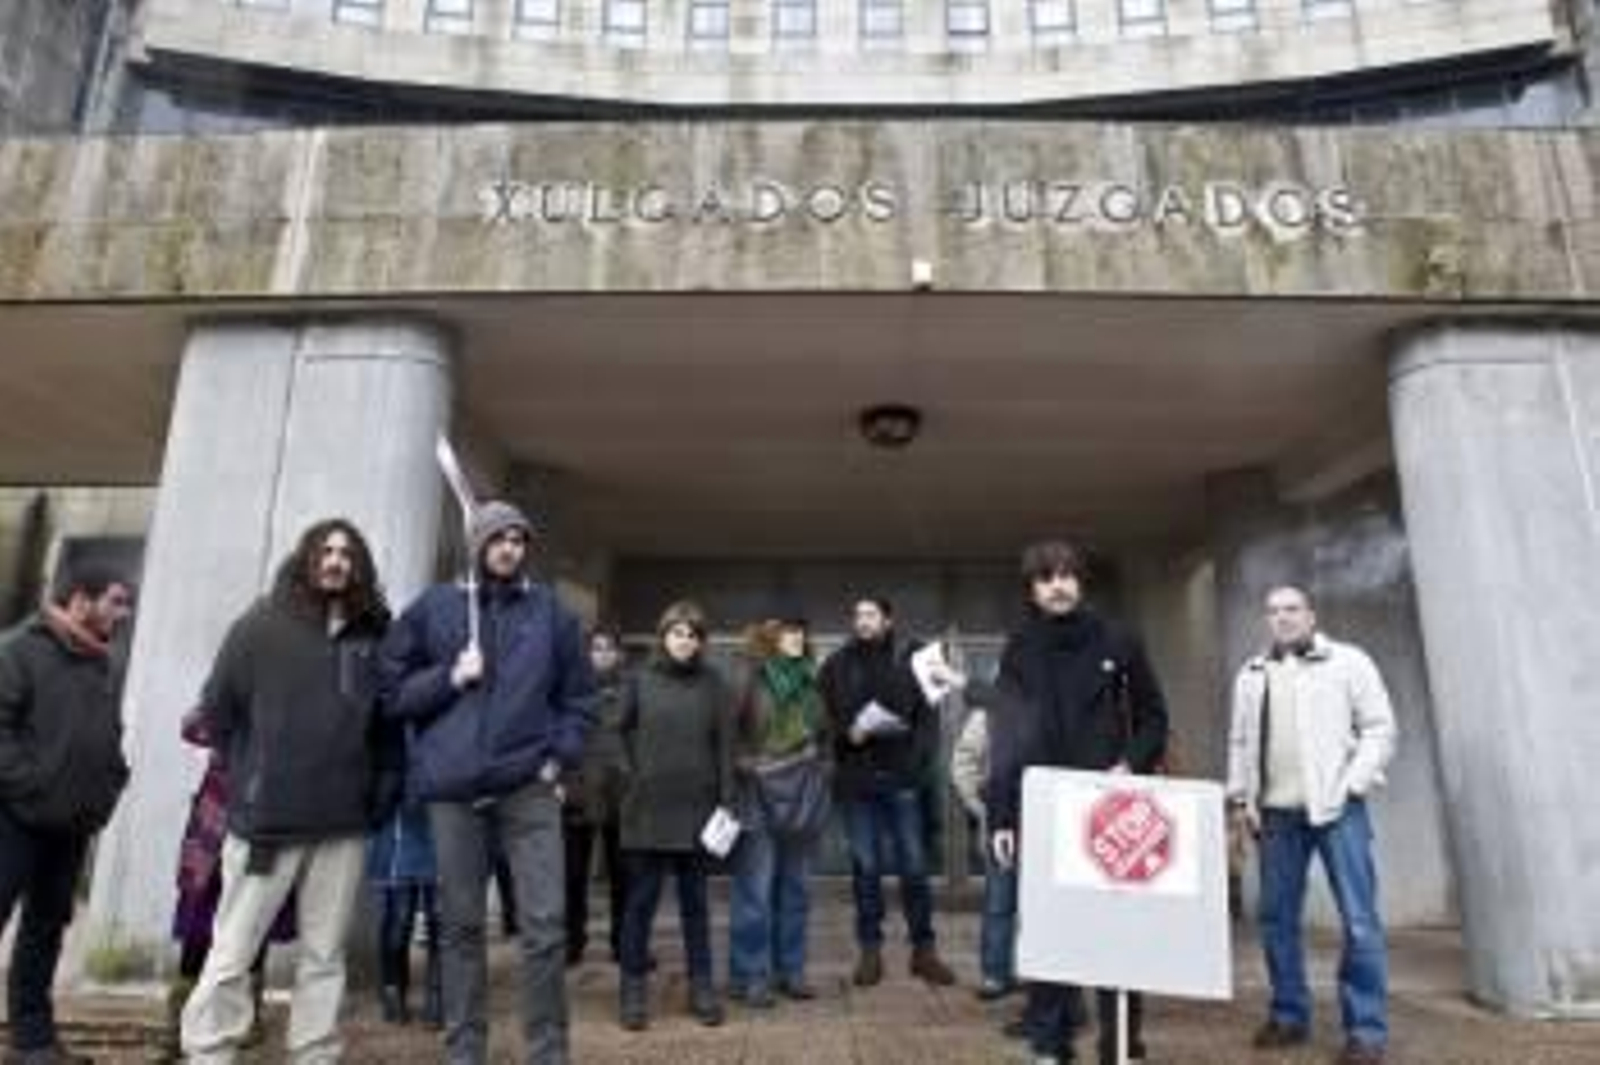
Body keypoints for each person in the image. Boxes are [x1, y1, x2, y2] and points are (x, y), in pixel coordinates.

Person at [380, 500, 593, 1065]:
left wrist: (557, 759)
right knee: (460, 928)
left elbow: (579, 700)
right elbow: (393, 695)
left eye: (519, 540)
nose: (509, 548)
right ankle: (465, 1049)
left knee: (545, 927)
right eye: (499, 538)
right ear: (478, 544)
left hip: (528, 786)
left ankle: (548, 1051)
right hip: (455, 792)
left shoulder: (552, 614)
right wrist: (451, 676)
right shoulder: (436, 608)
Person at [180, 519, 391, 1065]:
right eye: (326, 550)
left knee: (325, 955)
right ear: (308, 557)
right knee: (232, 952)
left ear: (359, 566)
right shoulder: (260, 626)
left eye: (347, 553)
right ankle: (208, 1052)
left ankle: (315, 1053)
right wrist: (253, 778)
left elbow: (386, 727)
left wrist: (379, 791)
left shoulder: (374, 633)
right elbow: (217, 712)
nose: (336, 560)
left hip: (342, 823)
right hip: (268, 822)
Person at [986, 541, 1168, 1065]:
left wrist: (1129, 764)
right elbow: (1005, 735)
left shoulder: (1120, 639)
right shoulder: (1019, 647)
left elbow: (1155, 717)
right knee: (1049, 934)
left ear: (1081, 582)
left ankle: (1123, 1046)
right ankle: (1050, 1044)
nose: (1058, 585)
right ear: (1032, 589)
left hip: (1111, 810)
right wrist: (1002, 816)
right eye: (1046, 578)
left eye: (1066, 575)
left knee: (1119, 937)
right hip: (1041, 810)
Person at [1227, 585, 1397, 1065]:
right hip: (1276, 816)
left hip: (1337, 810)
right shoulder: (1251, 674)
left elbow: (1380, 727)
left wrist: (1352, 784)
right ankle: (1288, 1015)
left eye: (1292, 609)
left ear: (1311, 615)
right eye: (1273, 611)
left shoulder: (1349, 662)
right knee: (1277, 919)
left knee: (1359, 921)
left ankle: (1365, 1031)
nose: (1282, 618)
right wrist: (1240, 798)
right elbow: (1239, 741)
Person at [0, 562, 133, 1065]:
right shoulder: (18, 650)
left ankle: (32, 1045)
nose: (123, 613)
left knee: (45, 930)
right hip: (13, 817)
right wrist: (31, 788)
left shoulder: (101, 661)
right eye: (116, 601)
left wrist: (109, 786)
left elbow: (107, 736)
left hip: (72, 823)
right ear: (81, 599)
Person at [819, 597, 955, 989]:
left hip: (903, 780)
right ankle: (870, 951)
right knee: (866, 869)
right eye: (858, 615)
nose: (863, 622)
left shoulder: (912, 656)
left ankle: (924, 951)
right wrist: (849, 733)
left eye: (870, 615)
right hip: (858, 781)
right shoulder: (836, 665)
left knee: (914, 867)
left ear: (888, 619)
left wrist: (917, 763)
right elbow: (824, 720)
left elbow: (930, 720)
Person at [616, 600, 732, 1031]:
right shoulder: (638, 680)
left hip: (698, 812)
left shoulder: (714, 684)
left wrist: (727, 800)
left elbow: (724, 746)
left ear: (701, 642)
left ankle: (702, 988)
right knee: (640, 905)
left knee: (695, 906)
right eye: (678, 633)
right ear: (664, 636)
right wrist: (632, 778)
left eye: (693, 635)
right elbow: (615, 732)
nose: (685, 642)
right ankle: (632, 990)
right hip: (646, 811)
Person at [161, 708, 296, 1060]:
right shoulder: (230, 694)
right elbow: (191, 726)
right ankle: (179, 1027)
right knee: (196, 931)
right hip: (214, 828)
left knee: (253, 926)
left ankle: (244, 1023)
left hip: (265, 828)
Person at [727, 614, 828, 1008]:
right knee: (755, 890)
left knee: (797, 889)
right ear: (770, 637)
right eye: (789, 630)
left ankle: (792, 971)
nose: (798, 637)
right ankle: (750, 975)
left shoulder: (811, 680)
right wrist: (749, 767)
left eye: (802, 630)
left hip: (804, 796)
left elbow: (826, 735)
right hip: (758, 795)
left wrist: (825, 769)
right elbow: (728, 735)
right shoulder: (750, 677)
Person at [563, 625, 630, 967]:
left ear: (619, 653)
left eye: (608, 648)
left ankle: (624, 943)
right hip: (577, 792)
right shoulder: (571, 689)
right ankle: (573, 942)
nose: (602, 654)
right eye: (596, 648)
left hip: (621, 794)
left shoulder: (632, 690)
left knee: (624, 877)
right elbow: (559, 736)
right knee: (572, 876)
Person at [949, 697, 1016, 1002]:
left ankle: (1038, 976)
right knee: (999, 903)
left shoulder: (1055, 705)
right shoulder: (990, 712)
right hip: (1002, 820)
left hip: (1044, 823)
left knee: (1039, 907)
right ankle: (995, 974)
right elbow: (963, 762)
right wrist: (981, 807)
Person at [366, 781, 442, 1027]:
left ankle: (438, 994)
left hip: (440, 810)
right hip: (397, 816)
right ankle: (393, 991)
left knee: (439, 917)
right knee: (398, 919)